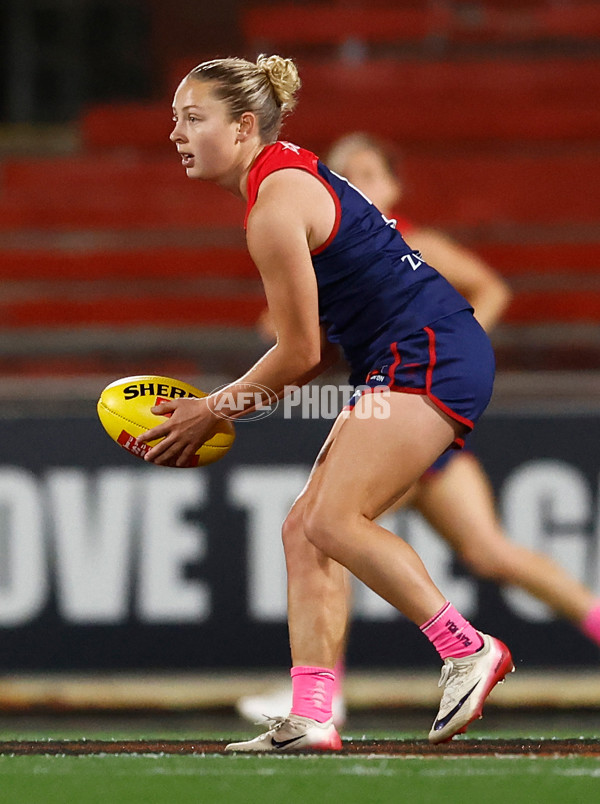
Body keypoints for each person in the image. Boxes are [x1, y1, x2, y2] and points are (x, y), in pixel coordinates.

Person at [138, 55, 515, 751]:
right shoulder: (281, 177)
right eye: (175, 119)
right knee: (304, 529)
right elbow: (310, 350)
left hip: (428, 352)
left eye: (193, 118)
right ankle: (313, 714)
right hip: (416, 353)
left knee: (335, 519)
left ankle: (466, 648)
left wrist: (211, 409)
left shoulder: (274, 205)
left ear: (243, 127)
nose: (176, 134)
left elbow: (299, 352)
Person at [236, 132, 600, 729]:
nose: (356, 182)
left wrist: (451, 340)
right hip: (397, 402)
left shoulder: (412, 244)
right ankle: (324, 700)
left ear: (394, 186)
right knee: (333, 530)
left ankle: (348, 688)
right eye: (346, 172)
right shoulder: (331, 246)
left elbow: (489, 288)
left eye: (369, 172)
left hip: (414, 391)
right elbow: (285, 332)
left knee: (336, 527)